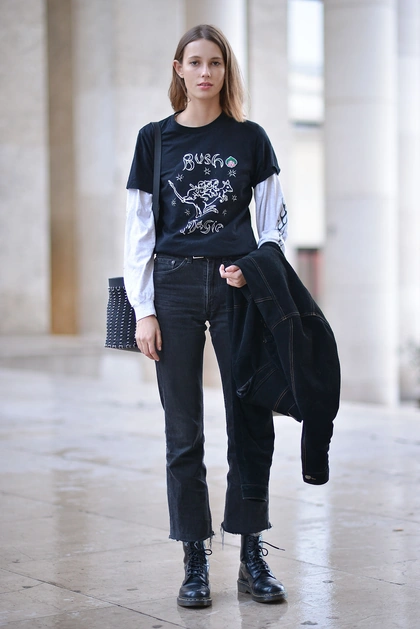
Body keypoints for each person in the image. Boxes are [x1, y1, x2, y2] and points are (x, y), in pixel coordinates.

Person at [124, 24, 288, 608]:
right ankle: (194, 558)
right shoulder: (154, 139)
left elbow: (274, 222)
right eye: (194, 62)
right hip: (172, 288)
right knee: (182, 429)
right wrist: (143, 310)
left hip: (234, 287)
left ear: (226, 70)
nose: (204, 72)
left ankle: (251, 555)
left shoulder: (250, 138)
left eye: (214, 62)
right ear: (178, 69)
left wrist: (255, 268)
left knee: (249, 419)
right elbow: (138, 231)